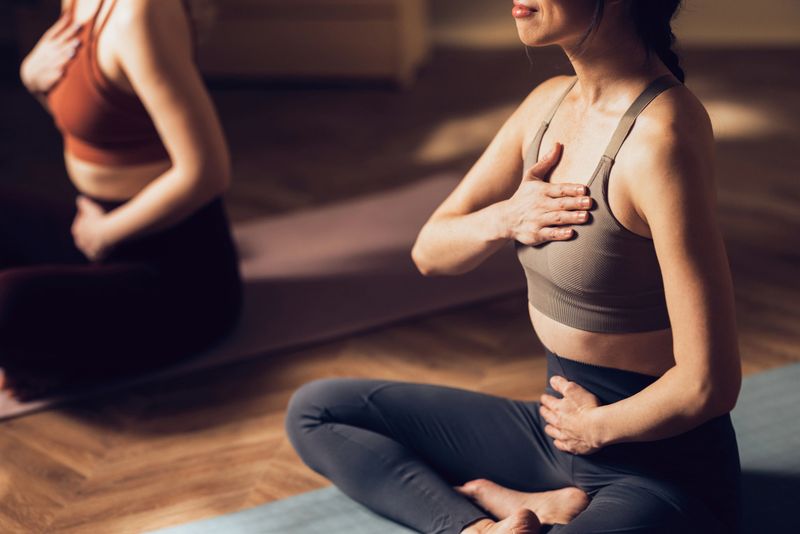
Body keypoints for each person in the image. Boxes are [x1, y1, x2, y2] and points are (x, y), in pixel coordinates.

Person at [285, 1, 742, 533]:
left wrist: (595, 428)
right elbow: (430, 252)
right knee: (317, 411)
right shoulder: (546, 106)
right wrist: (506, 216)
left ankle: (534, 507)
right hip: (555, 430)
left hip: (657, 468)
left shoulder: (662, 136)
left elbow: (708, 383)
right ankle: (478, 526)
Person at [0, 0, 241, 399]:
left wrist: (105, 233)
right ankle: (37, 351)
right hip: (97, 228)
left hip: (179, 271)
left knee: (7, 305)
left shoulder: (141, 15)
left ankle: (37, 354)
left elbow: (208, 173)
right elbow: (98, 123)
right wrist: (34, 80)